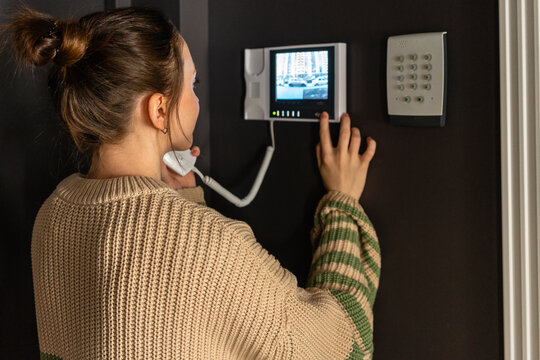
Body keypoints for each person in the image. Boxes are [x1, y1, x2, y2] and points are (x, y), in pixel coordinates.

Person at [2, 5, 380, 360]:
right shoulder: (212, 245)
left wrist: (183, 201)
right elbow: (342, 344)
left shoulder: (52, 217)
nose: (197, 101)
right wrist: (342, 205)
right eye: (192, 85)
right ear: (160, 108)